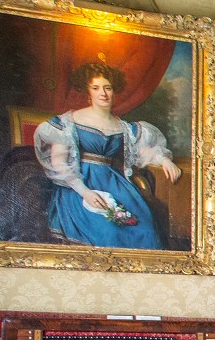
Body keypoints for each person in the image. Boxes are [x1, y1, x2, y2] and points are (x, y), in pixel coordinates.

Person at [32, 62, 180, 249]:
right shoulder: (68, 122)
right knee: (107, 232)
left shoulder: (124, 127)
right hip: (80, 185)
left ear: (114, 91)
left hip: (115, 184)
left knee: (146, 230)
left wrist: (164, 159)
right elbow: (59, 162)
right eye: (96, 88)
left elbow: (143, 151)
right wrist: (84, 192)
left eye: (107, 88)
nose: (103, 93)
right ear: (88, 92)